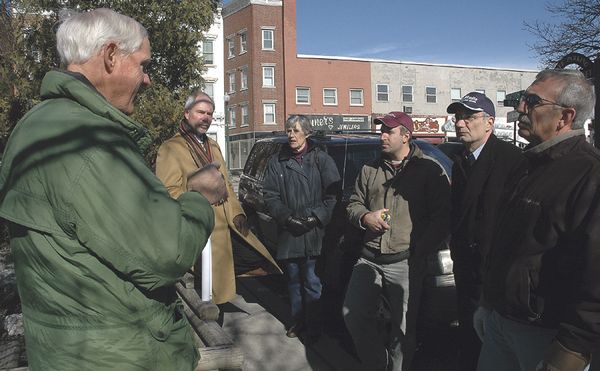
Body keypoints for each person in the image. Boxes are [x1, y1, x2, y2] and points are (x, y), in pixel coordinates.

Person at [0, 8, 227, 370]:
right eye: (143, 64)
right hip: (119, 354)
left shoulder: (36, 125)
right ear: (109, 56)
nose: (148, 79)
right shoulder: (89, 141)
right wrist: (199, 196)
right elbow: (169, 250)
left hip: (71, 350)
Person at [477, 69, 599, 371]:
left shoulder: (590, 175)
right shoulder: (528, 165)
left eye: (532, 101)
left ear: (565, 116)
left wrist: (574, 345)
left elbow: (596, 270)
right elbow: (508, 244)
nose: (520, 108)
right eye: (522, 99)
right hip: (500, 320)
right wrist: (488, 303)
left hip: (546, 334)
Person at [344, 112, 451, 371]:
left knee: (403, 331)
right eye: (381, 130)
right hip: (368, 259)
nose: (382, 135)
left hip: (405, 262)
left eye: (389, 131)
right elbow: (353, 203)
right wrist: (365, 216)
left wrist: (420, 251)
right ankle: (377, 364)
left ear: (406, 136)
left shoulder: (428, 170)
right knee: (353, 316)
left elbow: (443, 216)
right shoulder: (370, 169)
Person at [156, 90, 281, 305]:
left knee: (255, 259)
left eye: (210, 114)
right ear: (187, 114)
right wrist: (199, 195)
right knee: (209, 294)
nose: (206, 118)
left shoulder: (212, 145)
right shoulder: (171, 148)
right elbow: (168, 193)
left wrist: (239, 213)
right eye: (200, 112)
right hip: (201, 229)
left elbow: (227, 188)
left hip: (226, 225)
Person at [446, 92, 526, 370]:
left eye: (469, 117)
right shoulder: (460, 160)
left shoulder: (512, 159)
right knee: (469, 333)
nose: (460, 123)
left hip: (495, 272)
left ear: (489, 122)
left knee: (490, 344)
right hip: (466, 268)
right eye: (458, 117)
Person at [263, 114, 341, 342]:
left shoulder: (321, 160)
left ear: (306, 133)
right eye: (288, 130)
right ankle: (298, 321)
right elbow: (270, 195)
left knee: (312, 282)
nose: (291, 135)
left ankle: (315, 325)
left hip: (314, 233)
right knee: (294, 281)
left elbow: (333, 195)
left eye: (296, 131)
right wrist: (286, 218)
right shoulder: (277, 161)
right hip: (290, 233)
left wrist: (316, 218)